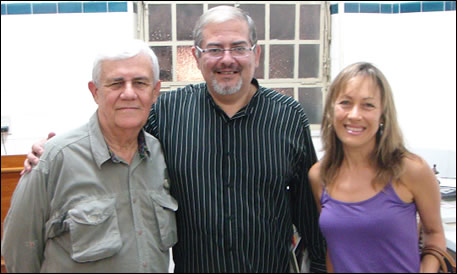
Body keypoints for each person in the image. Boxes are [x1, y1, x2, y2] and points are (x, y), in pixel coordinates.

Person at [22, 6, 326, 272]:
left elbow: (309, 214)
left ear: (256, 54)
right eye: (215, 49)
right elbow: (116, 130)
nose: (227, 59)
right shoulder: (166, 112)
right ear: (196, 56)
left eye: (239, 47)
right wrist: (48, 150)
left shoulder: (289, 116)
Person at [2, 40, 178, 272]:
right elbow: (20, 251)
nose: (128, 93)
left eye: (140, 83)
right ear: (95, 92)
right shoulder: (54, 159)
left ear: (155, 91)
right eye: (116, 83)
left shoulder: (159, 153)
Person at [308, 62, 446, 272]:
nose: (354, 115)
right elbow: (334, 249)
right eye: (345, 102)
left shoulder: (411, 170)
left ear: (383, 115)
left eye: (368, 105)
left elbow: (434, 234)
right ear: (331, 111)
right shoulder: (319, 175)